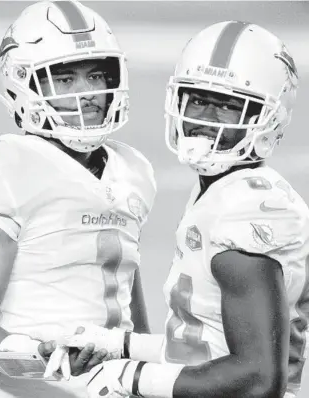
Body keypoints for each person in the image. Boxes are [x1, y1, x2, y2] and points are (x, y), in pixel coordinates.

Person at [53, 21, 309, 398]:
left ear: (266, 120)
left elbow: (257, 379)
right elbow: (206, 348)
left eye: (228, 105)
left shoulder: (244, 211)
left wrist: (132, 377)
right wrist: (120, 347)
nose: (206, 119)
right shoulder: (225, 191)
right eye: (199, 100)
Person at [0, 0, 155, 397]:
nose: (89, 94)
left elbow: (126, 288)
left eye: (97, 75)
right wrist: (33, 355)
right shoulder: (7, 166)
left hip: (114, 379)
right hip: (27, 385)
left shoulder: (133, 168)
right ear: (22, 85)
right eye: (64, 80)